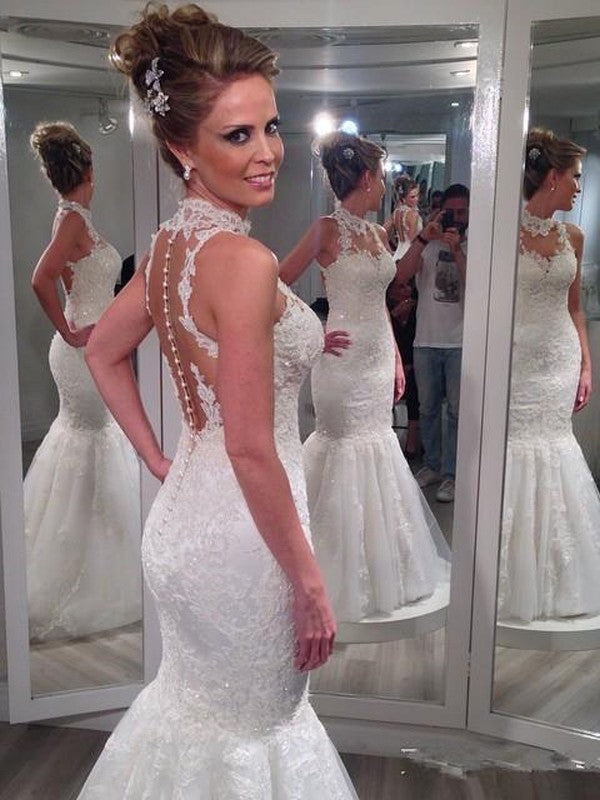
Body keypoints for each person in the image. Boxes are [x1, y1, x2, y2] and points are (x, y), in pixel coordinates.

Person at [77, 5, 357, 798]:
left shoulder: (171, 246)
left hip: (185, 523)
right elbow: (249, 445)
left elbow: (102, 351)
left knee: (197, 718)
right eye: (238, 135)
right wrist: (308, 582)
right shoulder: (239, 258)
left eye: (271, 126)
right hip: (247, 544)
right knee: (256, 733)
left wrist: (160, 459)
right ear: (181, 149)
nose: (267, 152)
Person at [280, 131, 449, 624]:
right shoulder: (325, 230)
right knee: (343, 449)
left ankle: (382, 570)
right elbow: (274, 283)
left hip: (376, 359)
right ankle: (328, 576)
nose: (384, 185)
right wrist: (313, 334)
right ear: (368, 177)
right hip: (342, 364)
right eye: (381, 175)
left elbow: (379, 303)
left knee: (378, 447)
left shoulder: (377, 234)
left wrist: (394, 357)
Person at [25, 122, 141, 641]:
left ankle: (96, 560)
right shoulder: (72, 219)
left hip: (95, 348)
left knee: (95, 444)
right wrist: (70, 331)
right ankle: (86, 573)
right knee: (94, 443)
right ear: (87, 169)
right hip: (83, 352)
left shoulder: (75, 218)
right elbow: (40, 277)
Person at [498, 128, 600, 622]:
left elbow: (575, 308)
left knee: (557, 448)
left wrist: (586, 364)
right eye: (575, 177)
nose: (579, 187)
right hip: (516, 361)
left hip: (559, 357)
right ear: (553, 176)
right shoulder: (503, 234)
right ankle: (510, 576)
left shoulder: (573, 237)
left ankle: (559, 574)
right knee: (517, 450)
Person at [395, 183, 469, 503]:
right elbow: (401, 276)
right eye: (450, 212)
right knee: (426, 409)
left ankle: (452, 473)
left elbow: (478, 288)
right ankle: (433, 465)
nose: (456, 218)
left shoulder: (476, 244)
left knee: (456, 412)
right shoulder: (425, 241)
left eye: (462, 212)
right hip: (425, 339)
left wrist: (457, 251)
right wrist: (425, 237)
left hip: (460, 341)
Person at [385, 175, 423, 457]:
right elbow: (411, 241)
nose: (416, 200)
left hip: (396, 256)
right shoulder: (410, 214)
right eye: (414, 195)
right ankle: (411, 436)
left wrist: (390, 250)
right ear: (405, 196)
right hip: (411, 259)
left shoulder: (394, 214)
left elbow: (385, 234)